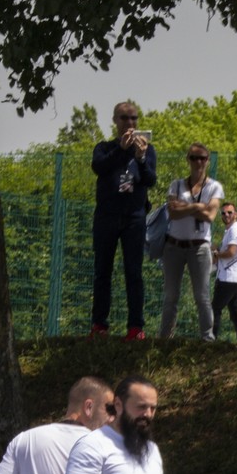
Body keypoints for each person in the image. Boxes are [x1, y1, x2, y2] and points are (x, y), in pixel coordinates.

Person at [89, 102, 155, 340]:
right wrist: (121, 149)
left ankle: (135, 327)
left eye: (134, 118)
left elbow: (150, 180)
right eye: (125, 118)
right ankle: (99, 325)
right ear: (115, 121)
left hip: (134, 218)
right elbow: (99, 167)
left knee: (134, 272)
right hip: (107, 217)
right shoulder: (105, 148)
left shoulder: (147, 150)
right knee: (102, 272)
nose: (130, 123)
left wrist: (140, 158)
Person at [159, 142, 224, 340]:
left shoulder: (214, 186)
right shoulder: (176, 184)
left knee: (202, 296)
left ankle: (207, 338)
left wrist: (186, 206)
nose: (198, 162)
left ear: (208, 161)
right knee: (171, 296)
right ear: (188, 159)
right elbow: (173, 213)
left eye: (202, 158)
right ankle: (164, 338)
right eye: (194, 158)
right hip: (174, 246)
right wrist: (198, 207)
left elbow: (211, 215)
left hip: (199, 247)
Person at [210, 201, 237, 344]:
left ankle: (210, 338)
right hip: (231, 277)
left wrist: (216, 252)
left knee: (214, 308)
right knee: (235, 311)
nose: (226, 215)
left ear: (235, 215)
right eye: (223, 213)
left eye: (229, 212)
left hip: (229, 277)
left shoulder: (236, 230)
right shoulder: (229, 231)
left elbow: (231, 252)